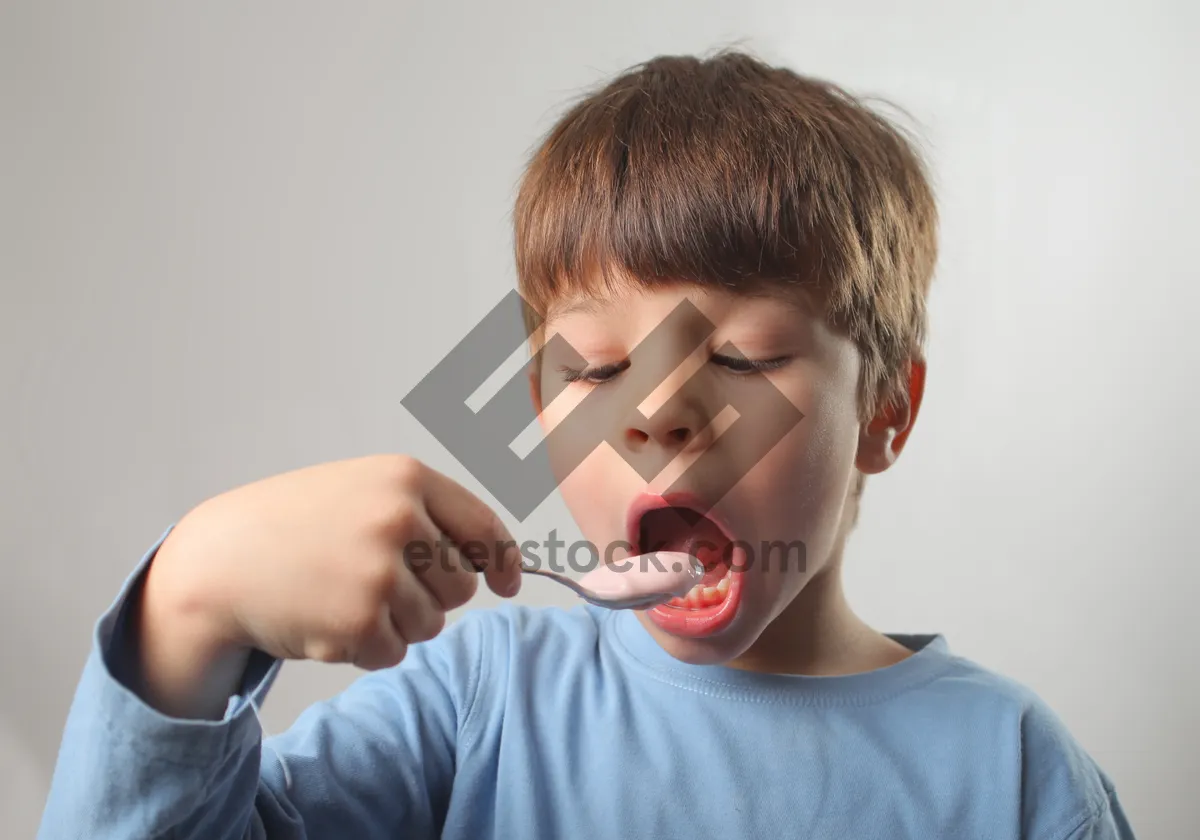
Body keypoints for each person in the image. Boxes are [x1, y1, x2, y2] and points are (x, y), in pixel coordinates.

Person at [37, 50, 1136, 839]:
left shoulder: (1016, 773)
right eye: (597, 372)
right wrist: (193, 603)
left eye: (747, 361)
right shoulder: (472, 708)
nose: (653, 414)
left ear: (886, 411)